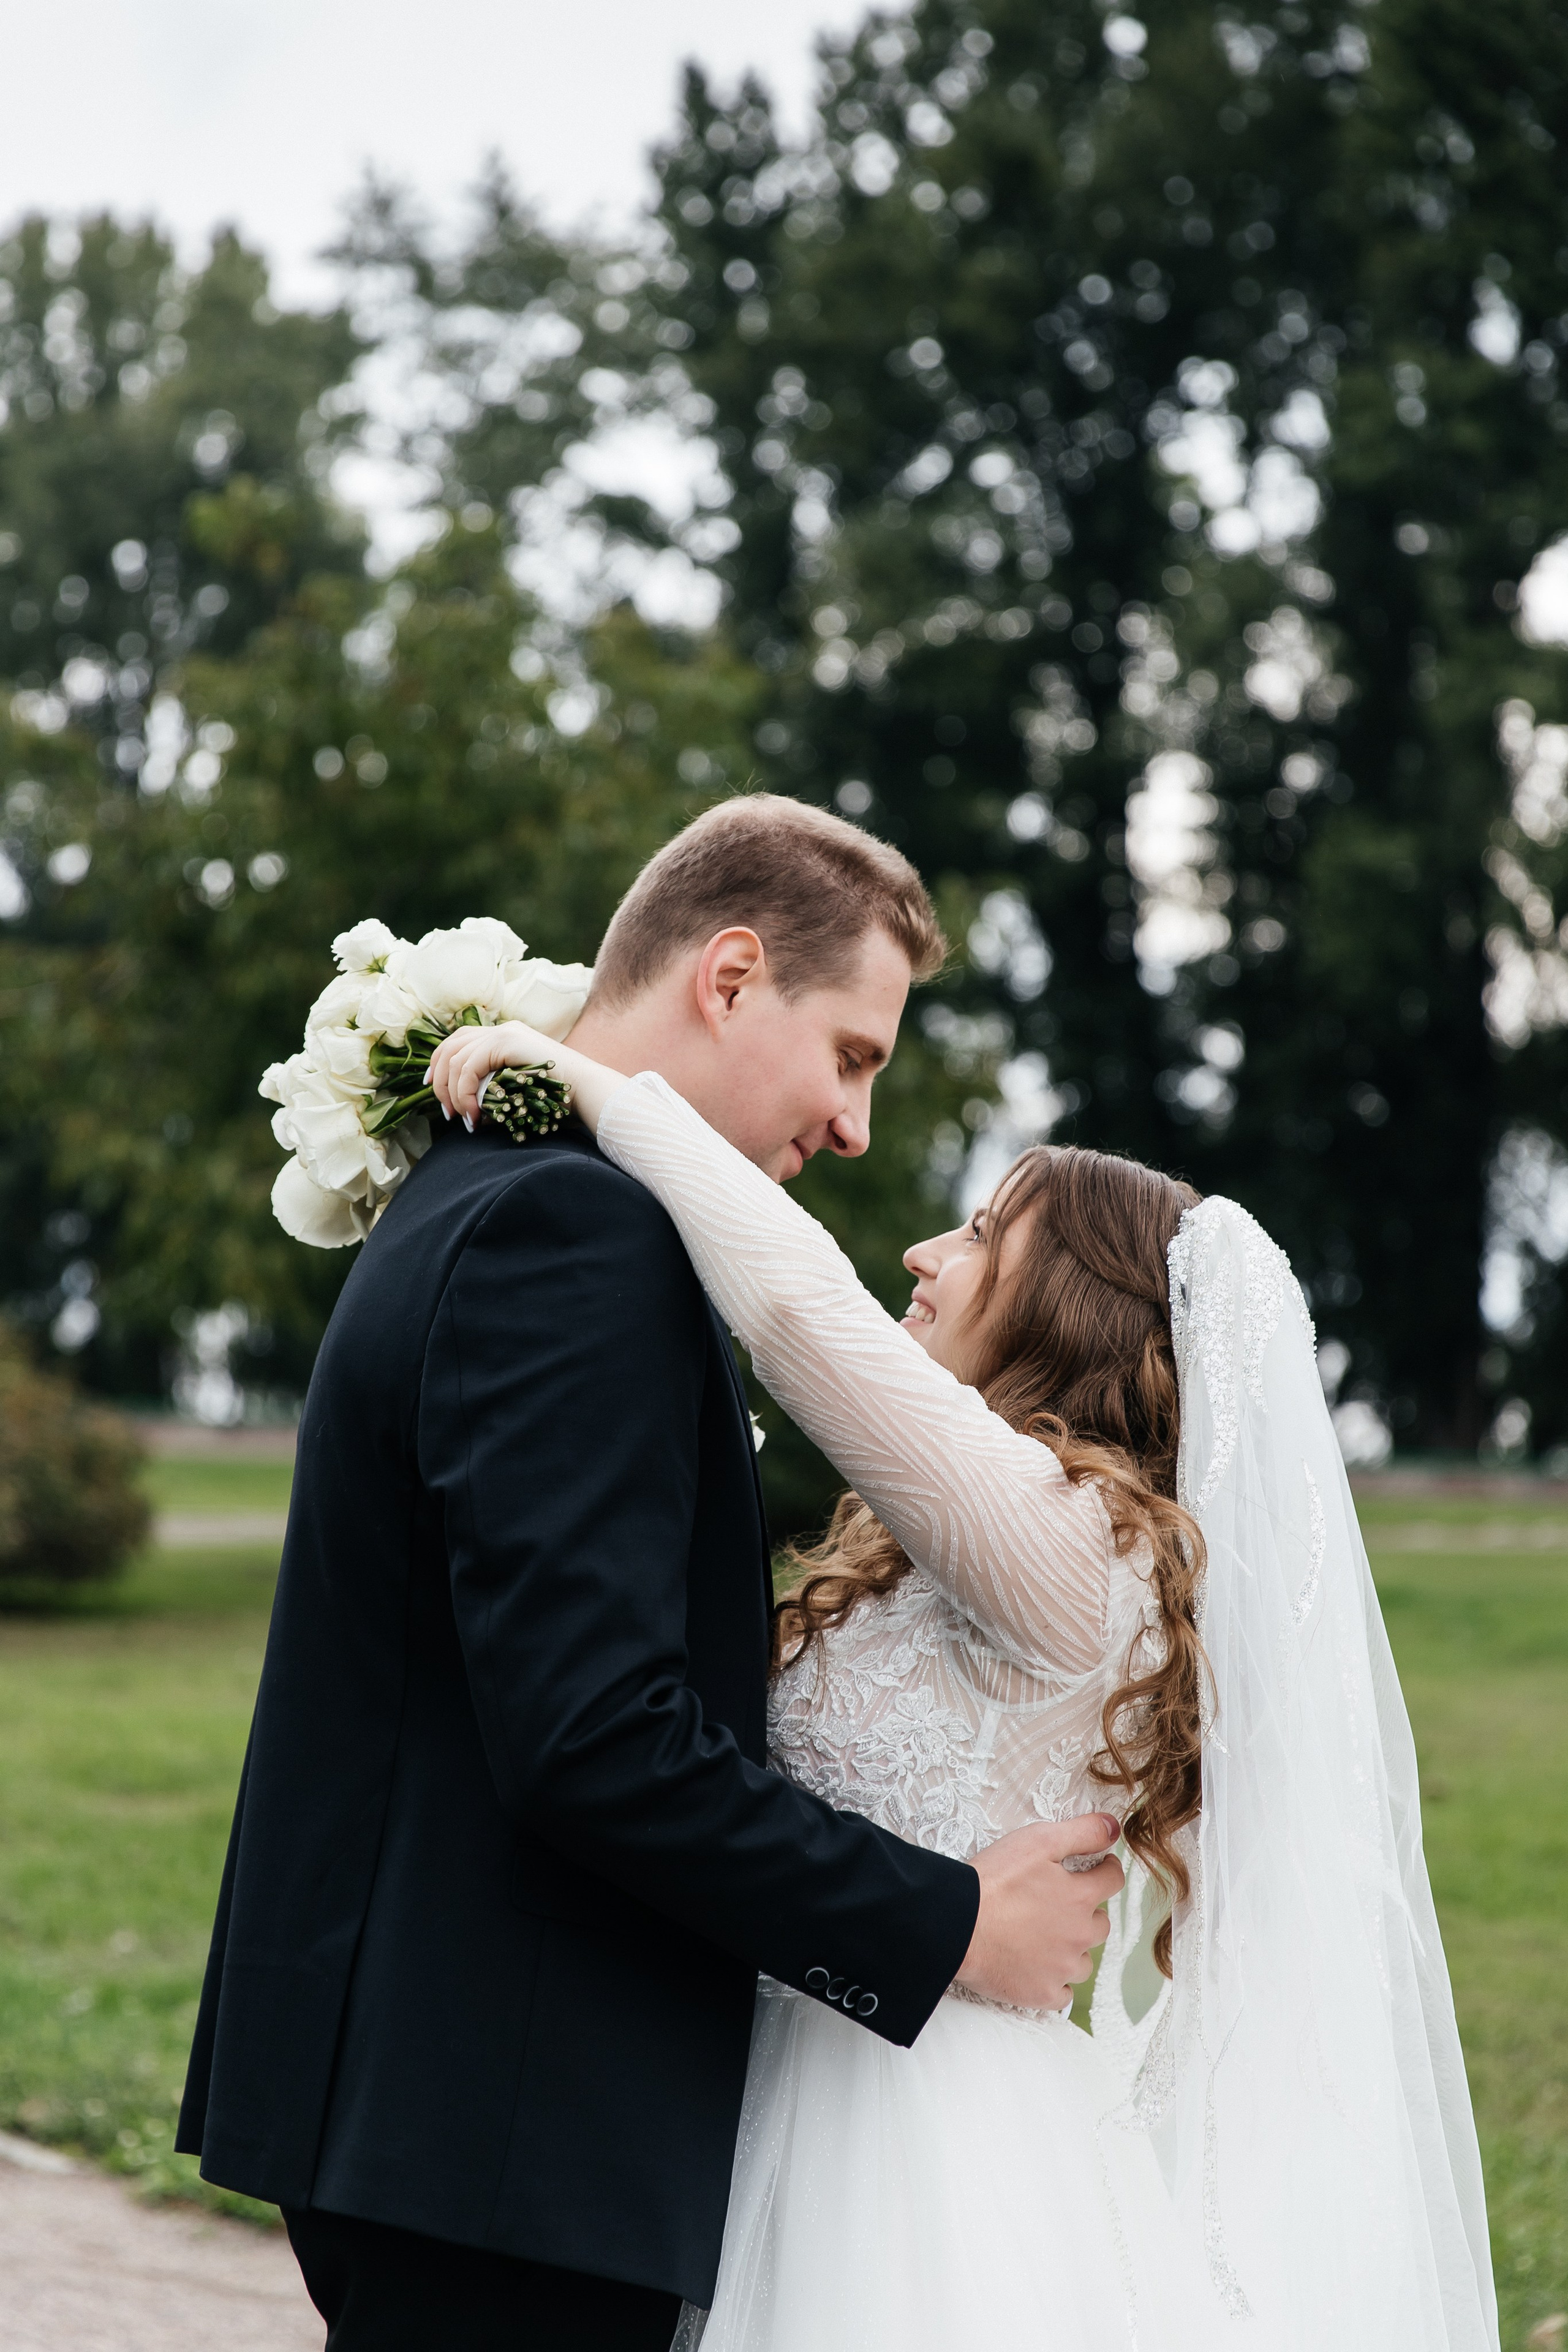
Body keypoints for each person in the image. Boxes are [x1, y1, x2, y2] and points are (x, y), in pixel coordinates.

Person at [175, 796, 1125, 2352]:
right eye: (853, 1056)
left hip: (450, 2105)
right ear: (732, 976)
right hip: (501, 2121)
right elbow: (596, 1737)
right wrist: (942, 1922)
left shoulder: (498, 1188)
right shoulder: (574, 1233)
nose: (854, 1128)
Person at [431, 984, 1501, 2351]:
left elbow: (800, 1312)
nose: (930, 1251)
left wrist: (591, 1085)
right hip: (790, 2080)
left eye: (987, 1234)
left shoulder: (1076, 1554)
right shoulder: (972, 1538)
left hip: (905, 2147)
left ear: (1071, 1307)